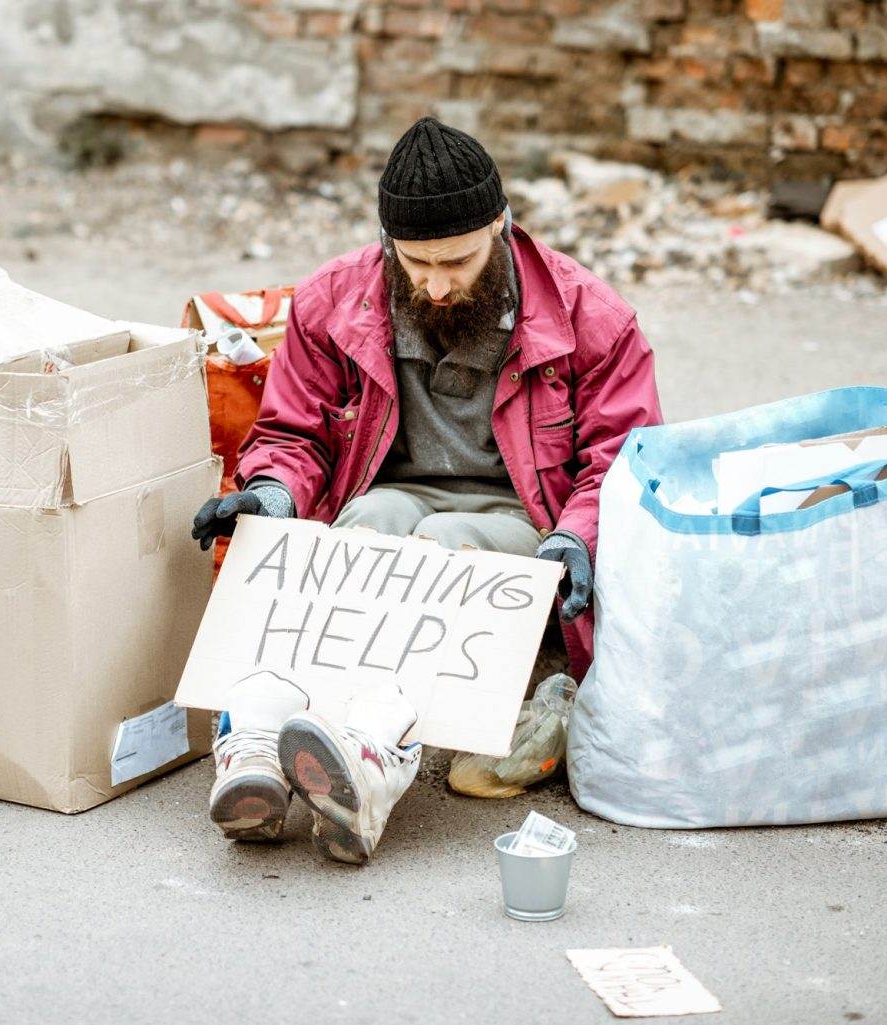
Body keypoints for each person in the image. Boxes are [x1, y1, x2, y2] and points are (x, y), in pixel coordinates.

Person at [191, 117, 663, 864]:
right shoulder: (332, 302)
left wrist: (580, 538)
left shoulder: (590, 317)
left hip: (518, 516)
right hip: (391, 492)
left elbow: (621, 460)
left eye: (458, 260)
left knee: (445, 549)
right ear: (386, 242)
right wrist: (270, 496)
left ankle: (375, 758)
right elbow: (293, 435)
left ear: (501, 226)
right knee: (367, 527)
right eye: (415, 262)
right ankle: (257, 736)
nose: (436, 284)